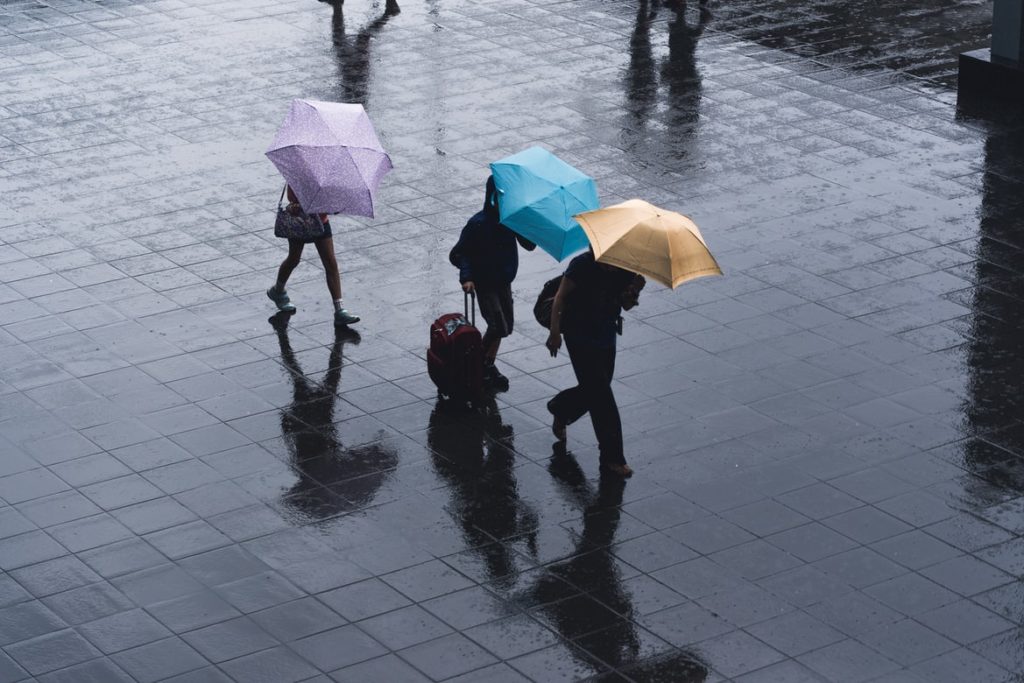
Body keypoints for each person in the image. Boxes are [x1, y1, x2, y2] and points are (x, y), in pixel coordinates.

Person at [545, 250, 645, 478]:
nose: (609, 267)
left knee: (597, 389)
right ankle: (612, 458)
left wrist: (635, 289)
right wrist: (554, 332)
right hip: (579, 336)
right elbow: (560, 297)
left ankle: (561, 407)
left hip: (606, 334)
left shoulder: (625, 269)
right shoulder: (581, 265)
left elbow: (626, 304)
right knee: (603, 398)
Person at [449, 176, 536, 390]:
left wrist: (524, 223)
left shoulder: (510, 221)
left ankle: (486, 363)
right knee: (497, 326)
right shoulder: (478, 224)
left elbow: (529, 244)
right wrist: (467, 277)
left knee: (505, 327)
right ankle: (476, 362)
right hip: (485, 283)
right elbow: (459, 254)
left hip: (503, 281)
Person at [267, 185, 360, 327]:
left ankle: (339, 309)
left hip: (321, 222)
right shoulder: (299, 170)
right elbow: (292, 196)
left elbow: (331, 201)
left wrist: (334, 205)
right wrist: (296, 205)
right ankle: (278, 290)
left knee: (330, 263)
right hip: (301, 221)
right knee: (294, 259)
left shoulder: (327, 175)